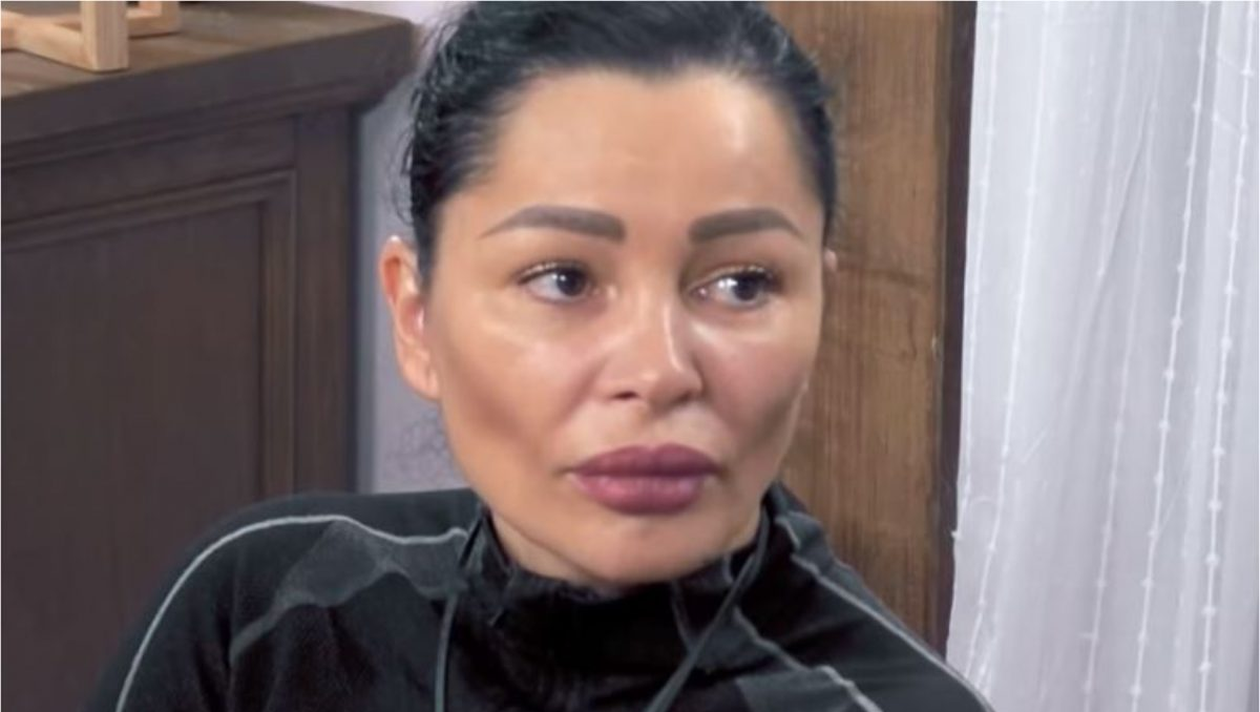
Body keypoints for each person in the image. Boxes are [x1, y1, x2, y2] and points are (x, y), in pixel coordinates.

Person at [85, 3, 992, 711]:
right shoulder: (268, 614)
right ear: (417, 318)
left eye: (741, 284)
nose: (659, 370)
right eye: (563, 279)